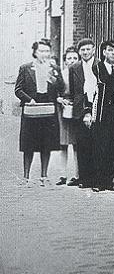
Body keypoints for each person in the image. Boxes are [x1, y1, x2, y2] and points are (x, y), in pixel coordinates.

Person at [15, 39, 64, 187]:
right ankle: (26, 177)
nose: (44, 54)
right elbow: (18, 89)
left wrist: (53, 78)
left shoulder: (54, 68)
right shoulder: (26, 68)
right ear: (35, 52)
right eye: (41, 51)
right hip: (32, 107)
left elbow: (60, 87)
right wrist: (28, 99)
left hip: (48, 108)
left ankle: (44, 176)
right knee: (28, 144)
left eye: (47, 51)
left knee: (46, 143)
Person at [91, 40, 114, 192]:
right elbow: (99, 85)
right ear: (104, 52)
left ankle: (110, 179)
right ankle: (99, 180)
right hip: (102, 111)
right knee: (101, 146)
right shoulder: (98, 68)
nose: (113, 54)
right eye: (110, 50)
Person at [67, 38, 98, 188]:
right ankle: (84, 178)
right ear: (79, 52)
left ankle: (95, 178)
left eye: (88, 49)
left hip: (97, 107)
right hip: (80, 109)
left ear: (93, 49)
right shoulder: (74, 68)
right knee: (82, 144)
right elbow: (73, 91)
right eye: (82, 50)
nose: (85, 52)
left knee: (96, 144)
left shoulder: (100, 65)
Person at [56, 47, 80, 186]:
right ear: (65, 61)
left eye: (74, 58)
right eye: (69, 58)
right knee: (63, 143)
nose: (72, 61)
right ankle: (62, 174)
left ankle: (78, 174)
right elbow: (53, 91)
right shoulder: (61, 75)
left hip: (77, 109)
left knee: (77, 144)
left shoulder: (81, 74)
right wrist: (59, 99)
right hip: (63, 109)